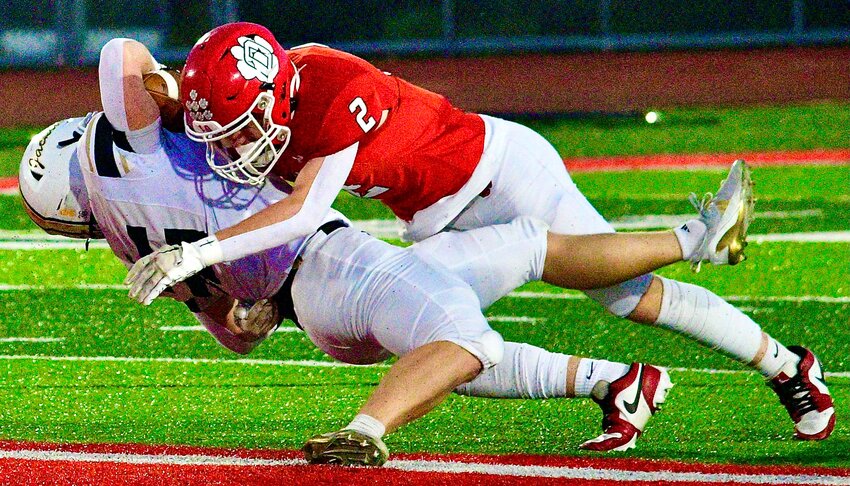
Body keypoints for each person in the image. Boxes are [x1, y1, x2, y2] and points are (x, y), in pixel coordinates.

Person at [126, 23, 834, 444]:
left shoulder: (335, 90)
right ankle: (674, 375)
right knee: (432, 337)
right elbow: (137, 71)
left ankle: (707, 249)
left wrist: (200, 251)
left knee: (614, 299)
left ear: (278, 91)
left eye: (244, 127)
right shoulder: (242, 90)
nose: (235, 146)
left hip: (498, 172)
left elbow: (308, 213)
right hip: (439, 211)